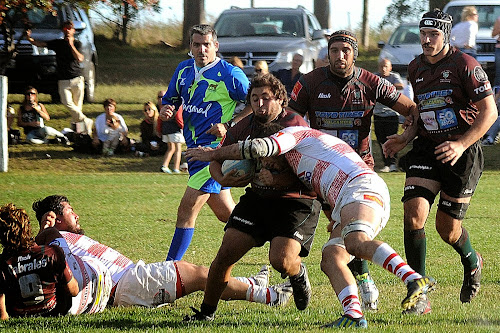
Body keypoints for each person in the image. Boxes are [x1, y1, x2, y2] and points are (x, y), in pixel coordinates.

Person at [185, 125, 436, 328]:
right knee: (331, 257)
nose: (267, 163)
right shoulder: (299, 164)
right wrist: (334, 219)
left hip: (361, 187)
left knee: (355, 242)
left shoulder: (294, 134)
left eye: (268, 160)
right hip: (346, 198)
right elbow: (325, 187)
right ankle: (354, 316)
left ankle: (414, 279)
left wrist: (213, 154)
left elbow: (261, 146)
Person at [287, 30, 417, 310]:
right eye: (334, 50)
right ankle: (364, 278)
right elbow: (288, 118)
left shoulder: (371, 82)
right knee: (340, 228)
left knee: (348, 229)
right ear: (327, 54)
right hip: (326, 171)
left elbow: (412, 110)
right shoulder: (309, 83)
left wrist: (404, 138)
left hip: (359, 171)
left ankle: (366, 282)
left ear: (354, 54)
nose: (340, 55)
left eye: (346, 50)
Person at [384, 9, 498, 314]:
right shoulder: (415, 67)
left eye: (433, 35)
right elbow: (421, 109)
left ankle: (472, 261)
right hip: (428, 148)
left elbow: (490, 113)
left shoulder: (465, 65)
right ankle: (418, 290)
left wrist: (461, 144)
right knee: (413, 215)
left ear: (446, 36)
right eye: (423, 34)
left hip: (463, 153)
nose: (426, 40)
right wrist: (405, 138)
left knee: (446, 229)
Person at [183, 73, 321, 321]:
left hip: (296, 200)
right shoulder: (245, 126)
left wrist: (279, 180)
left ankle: (298, 273)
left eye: (265, 98)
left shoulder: (296, 125)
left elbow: (309, 172)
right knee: (225, 255)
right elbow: (217, 155)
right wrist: (222, 179)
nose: (259, 104)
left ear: (280, 99)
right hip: (258, 198)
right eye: (254, 98)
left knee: (281, 260)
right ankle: (206, 313)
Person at [32, 195, 292, 309]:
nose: (76, 214)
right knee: (201, 274)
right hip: (127, 284)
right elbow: (34, 255)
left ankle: (249, 284)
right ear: (53, 218)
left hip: (132, 279)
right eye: (69, 210)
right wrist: (44, 231)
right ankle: (268, 296)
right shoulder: (53, 241)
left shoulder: (66, 238)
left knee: (200, 275)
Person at [159, 24, 249, 261]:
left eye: (206, 44)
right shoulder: (183, 70)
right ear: (190, 47)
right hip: (193, 151)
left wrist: (229, 127)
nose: (202, 50)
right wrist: (167, 109)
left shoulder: (230, 75)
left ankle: (169, 270)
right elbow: (170, 98)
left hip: (214, 152)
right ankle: (272, 236)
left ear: (215, 46)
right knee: (226, 214)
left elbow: (256, 103)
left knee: (186, 210)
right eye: (196, 45)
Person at [0, 203, 79, 320]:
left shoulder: (3, 264)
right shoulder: (52, 252)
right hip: (54, 311)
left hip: (18, 313)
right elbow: (74, 291)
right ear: (27, 227)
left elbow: (3, 316)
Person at [26, 20, 93, 136]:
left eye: (69, 28)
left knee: (77, 108)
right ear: (63, 30)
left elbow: (80, 58)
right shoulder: (58, 43)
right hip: (63, 80)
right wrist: (29, 38)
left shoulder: (77, 43)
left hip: (77, 79)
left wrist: (71, 45)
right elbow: (40, 44)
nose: (67, 31)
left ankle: (82, 133)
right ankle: (86, 121)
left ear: (73, 31)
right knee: (67, 102)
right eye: (65, 28)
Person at [373, 59, 404, 173]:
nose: (383, 69)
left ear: (390, 68)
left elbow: (400, 86)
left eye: (386, 66)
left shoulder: (394, 76)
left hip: (391, 114)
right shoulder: (375, 77)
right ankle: (386, 163)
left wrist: (384, 86)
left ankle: (392, 164)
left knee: (392, 139)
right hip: (378, 114)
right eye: (381, 66)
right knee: (381, 140)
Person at [159, 103, 184, 174]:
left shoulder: (165, 106)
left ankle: (165, 165)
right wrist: (183, 127)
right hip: (175, 130)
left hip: (165, 130)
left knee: (171, 148)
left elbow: (159, 119)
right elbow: (179, 117)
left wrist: (159, 130)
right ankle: (176, 168)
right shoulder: (178, 105)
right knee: (178, 149)